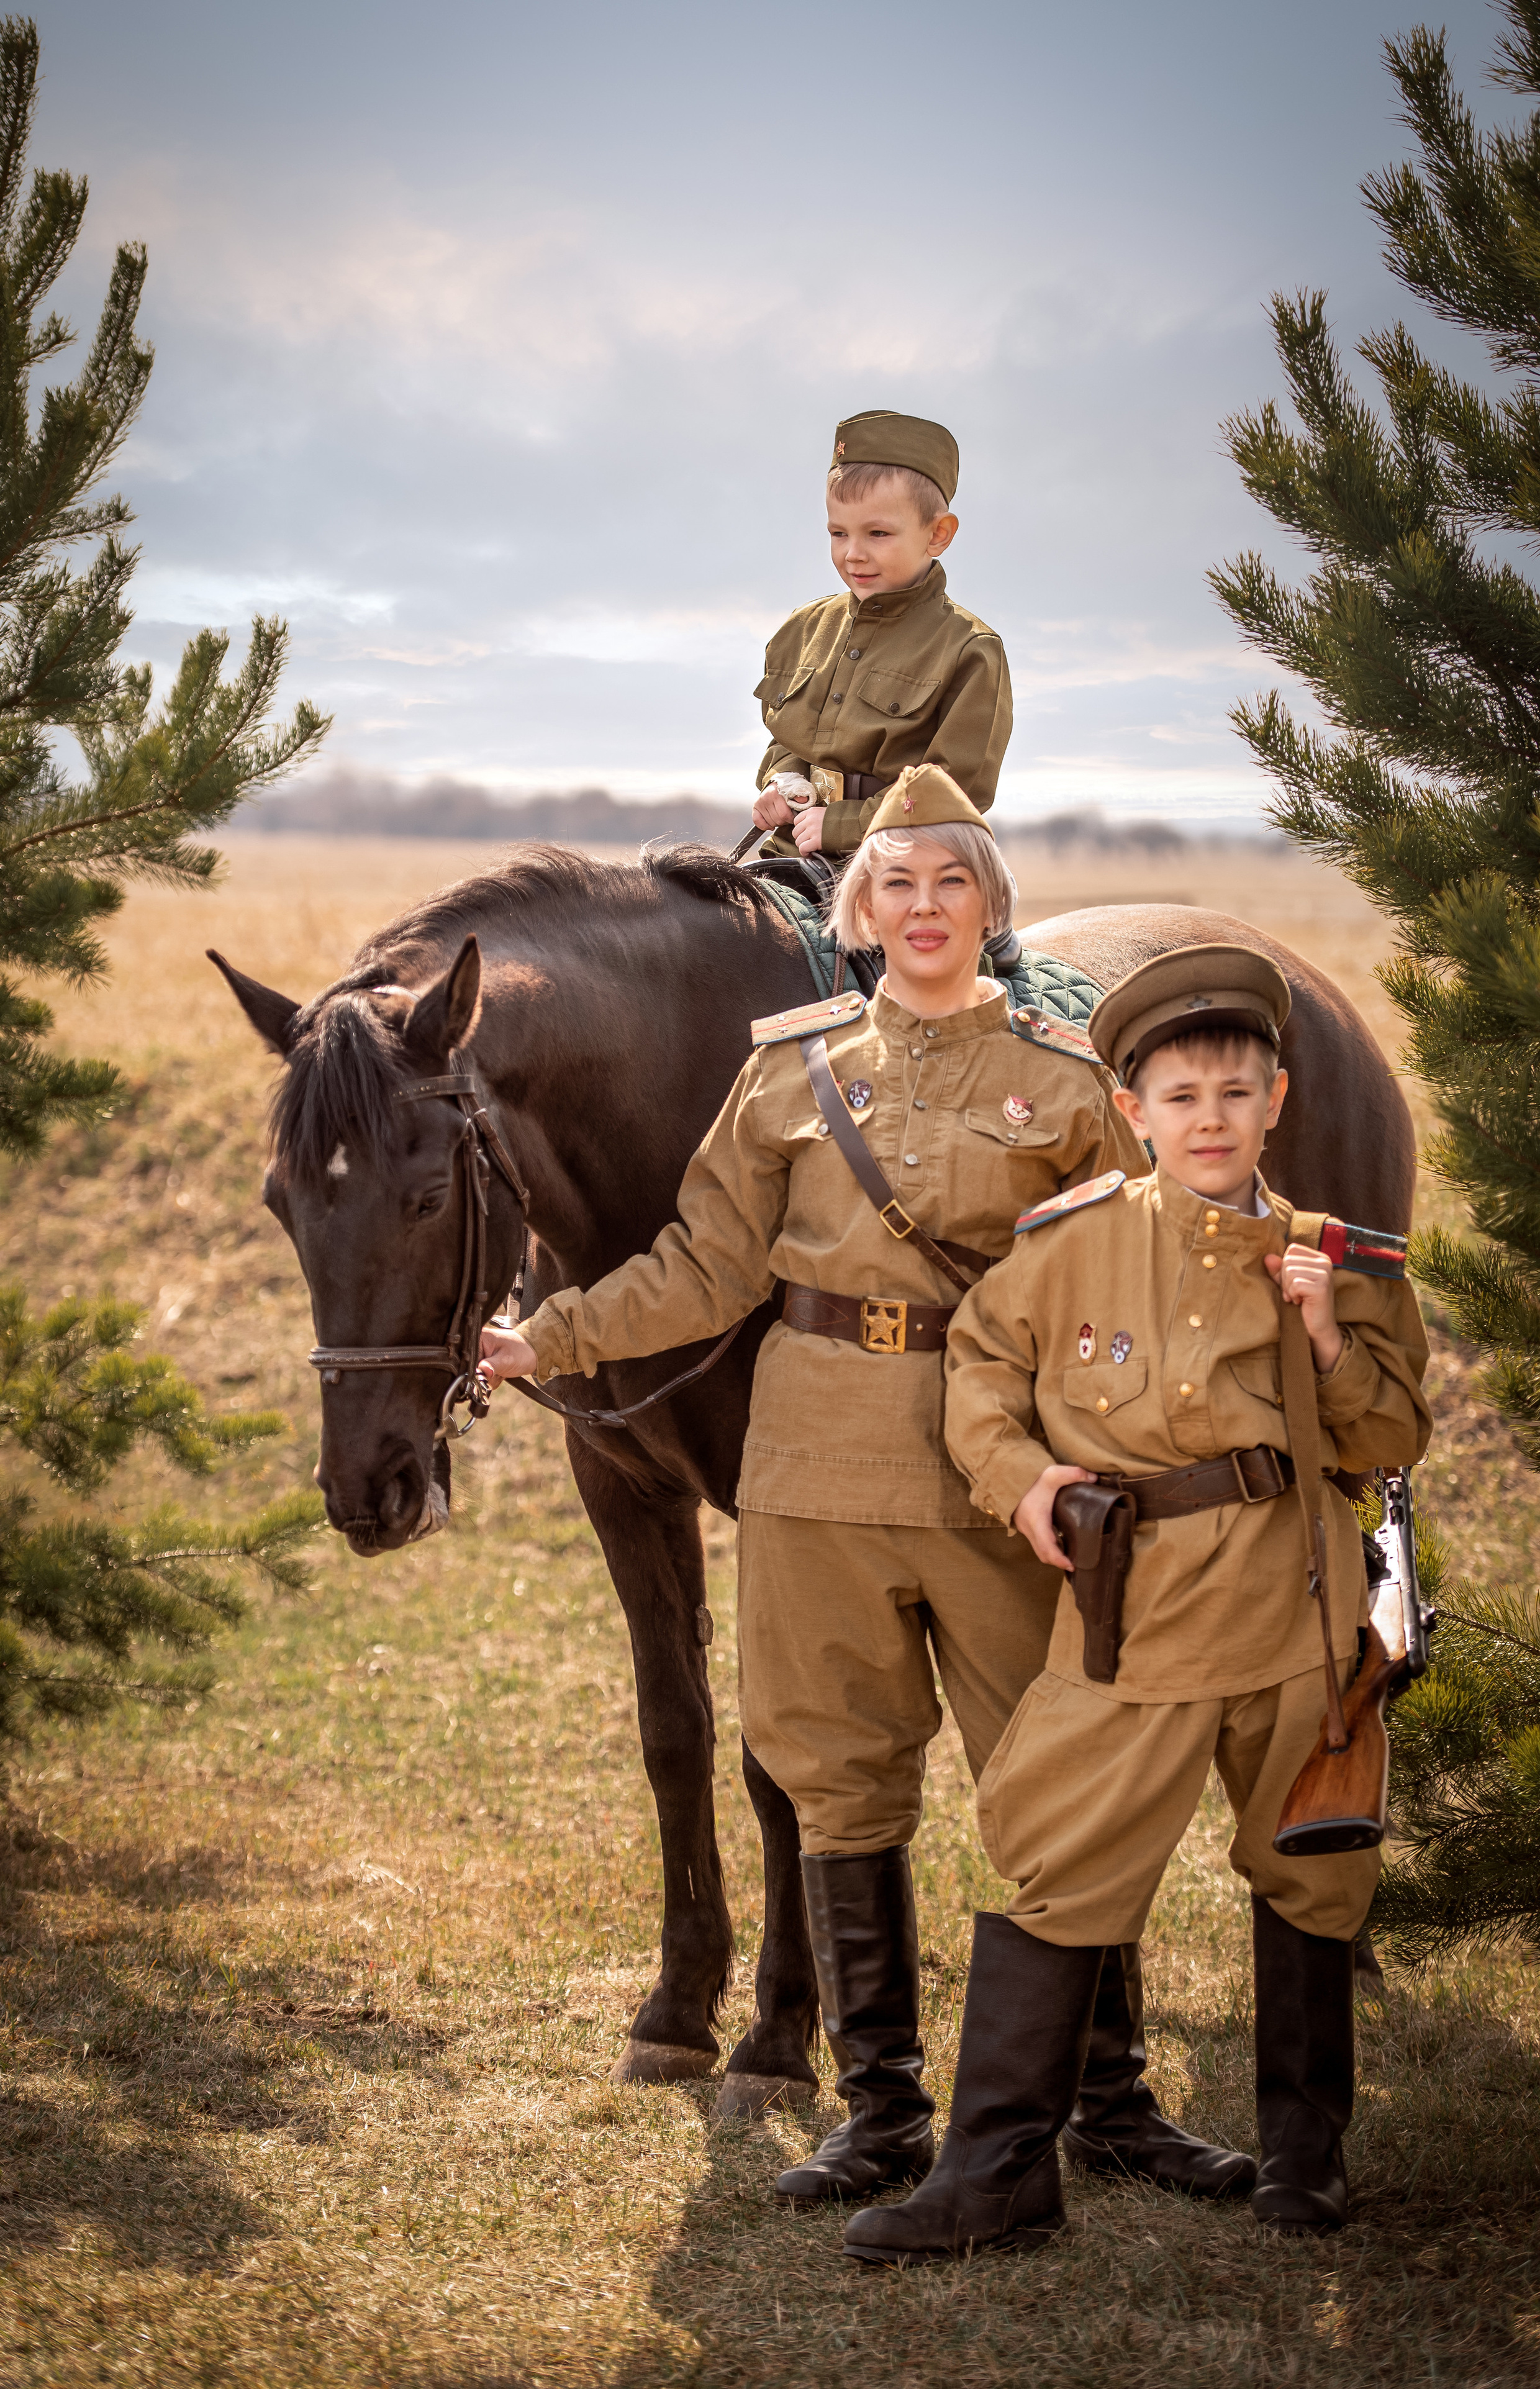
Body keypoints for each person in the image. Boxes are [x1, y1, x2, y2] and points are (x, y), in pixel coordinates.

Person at [481, 771, 1251, 2211]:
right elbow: (703, 1268)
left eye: (949, 882)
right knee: (836, 1783)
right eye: (894, 883)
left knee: (1055, 1779)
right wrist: (548, 1337)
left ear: (988, 905)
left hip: (994, 1477)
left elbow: (1124, 1287)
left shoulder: (1063, 1079)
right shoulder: (788, 1072)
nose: (921, 907)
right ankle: (879, 2112)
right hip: (812, 1470)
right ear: (856, 912)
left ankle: (1108, 2102)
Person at [841, 945, 1433, 2268]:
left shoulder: (1341, 1263)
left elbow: (1388, 1438)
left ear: (1276, 1101)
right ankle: (997, 2172)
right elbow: (978, 1372)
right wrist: (1023, 1481)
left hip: (1291, 1609)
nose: (1209, 1119)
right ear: (1133, 1110)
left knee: (1310, 1867)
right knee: (1059, 1859)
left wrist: (1328, 1337)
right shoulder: (1071, 1245)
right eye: (1180, 1097)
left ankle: (1305, 2157)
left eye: (1235, 1092)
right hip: (1133, 1614)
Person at [751, 412, 1012, 863]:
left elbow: (956, 789)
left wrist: (844, 825)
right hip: (791, 851)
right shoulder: (803, 628)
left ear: (938, 534)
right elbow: (788, 737)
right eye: (838, 533)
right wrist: (783, 781)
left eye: (878, 533)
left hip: (900, 863)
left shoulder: (971, 650)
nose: (853, 554)